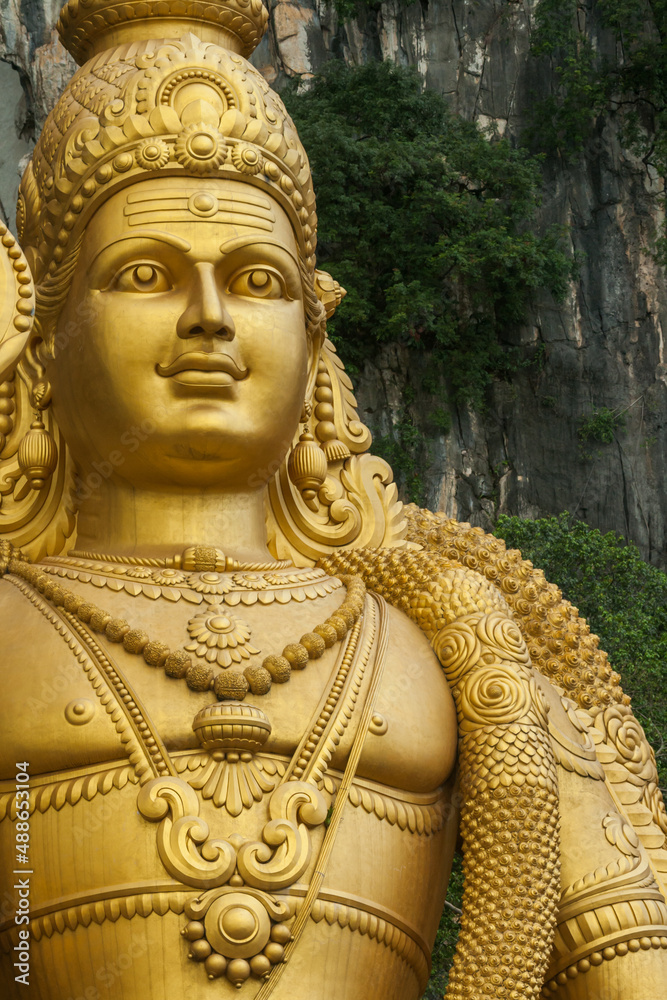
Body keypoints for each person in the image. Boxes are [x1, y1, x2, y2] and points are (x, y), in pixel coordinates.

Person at [0, 2, 665, 998]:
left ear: (316, 335)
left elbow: (627, 961)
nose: (210, 318)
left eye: (256, 280)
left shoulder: (452, 632)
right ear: (44, 334)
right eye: (145, 274)